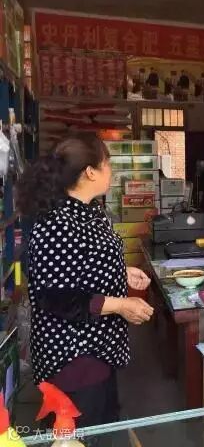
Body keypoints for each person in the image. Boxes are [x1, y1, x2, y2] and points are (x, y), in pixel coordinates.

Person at [16, 133, 154, 429]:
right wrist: (121, 305)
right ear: (90, 172)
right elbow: (58, 297)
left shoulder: (88, 211)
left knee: (104, 423)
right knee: (79, 433)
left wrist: (120, 271)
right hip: (74, 357)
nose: (111, 171)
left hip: (99, 350)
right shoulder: (57, 222)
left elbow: (82, 264)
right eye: (108, 164)